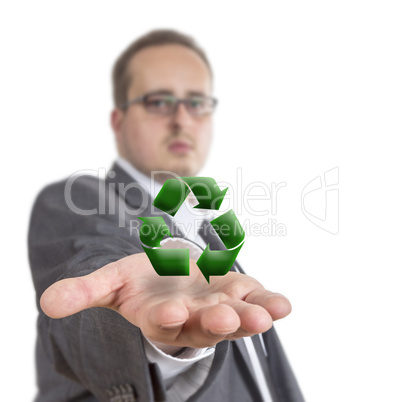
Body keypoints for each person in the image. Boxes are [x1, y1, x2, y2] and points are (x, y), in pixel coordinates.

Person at [28, 29, 304, 402]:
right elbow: (96, 268)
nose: (182, 119)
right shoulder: (80, 197)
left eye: (197, 103)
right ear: (118, 121)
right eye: (159, 102)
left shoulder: (207, 230)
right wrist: (160, 335)